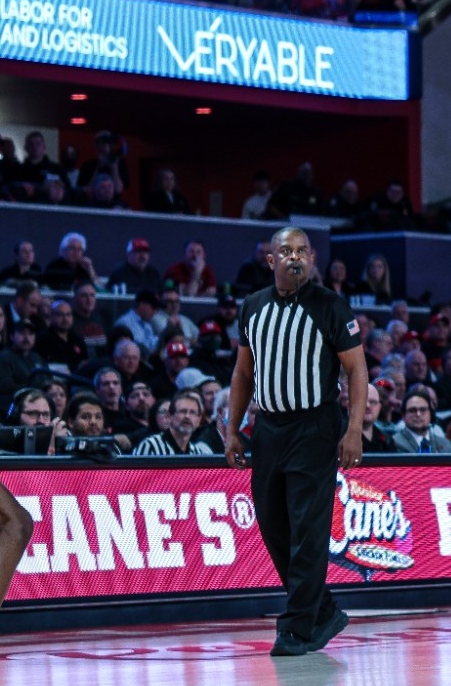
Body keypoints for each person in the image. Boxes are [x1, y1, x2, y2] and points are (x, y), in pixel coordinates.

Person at [225, 226, 367, 657]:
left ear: (312, 260)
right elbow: (243, 374)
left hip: (315, 425)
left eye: (303, 251)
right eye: (286, 251)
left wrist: (354, 428)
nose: (295, 257)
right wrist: (232, 429)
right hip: (268, 428)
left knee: (307, 527)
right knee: (273, 525)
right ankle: (321, 608)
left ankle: (298, 625)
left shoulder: (330, 306)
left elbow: (357, 371)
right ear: (271, 261)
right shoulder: (253, 307)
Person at [132, 392, 212, 456]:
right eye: (182, 411)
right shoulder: (150, 446)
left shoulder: (198, 453)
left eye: (192, 412)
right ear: (170, 416)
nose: (187, 416)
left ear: (199, 420)